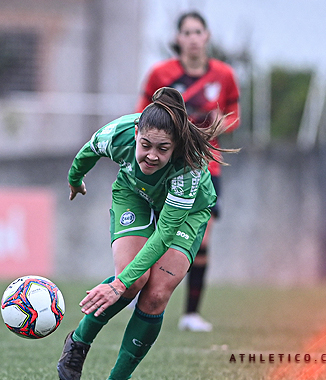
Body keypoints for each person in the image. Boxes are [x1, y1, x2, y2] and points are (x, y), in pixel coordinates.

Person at [56, 87, 236, 380]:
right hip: (134, 194)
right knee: (132, 278)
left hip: (188, 212)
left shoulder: (188, 167)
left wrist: (117, 285)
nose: (151, 156)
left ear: (175, 146)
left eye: (162, 149)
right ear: (137, 132)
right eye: (146, 145)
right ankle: (78, 343)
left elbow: (165, 233)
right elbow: (88, 152)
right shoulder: (118, 134)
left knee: (156, 294)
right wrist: (74, 179)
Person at [135, 11, 240, 332]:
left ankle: (191, 314)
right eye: (187, 32)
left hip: (206, 167)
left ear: (206, 36)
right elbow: (142, 114)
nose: (193, 38)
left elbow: (233, 113)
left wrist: (215, 126)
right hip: (165, 167)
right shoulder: (160, 73)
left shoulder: (223, 75)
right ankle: (137, 291)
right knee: (154, 235)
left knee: (202, 238)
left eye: (198, 31)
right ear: (178, 39)